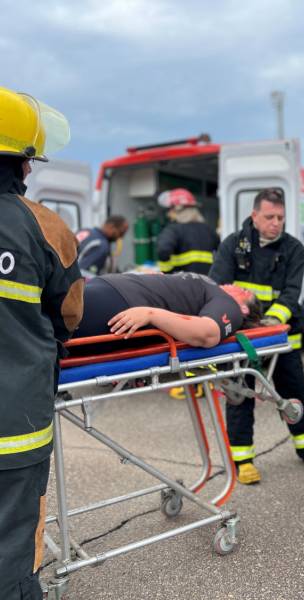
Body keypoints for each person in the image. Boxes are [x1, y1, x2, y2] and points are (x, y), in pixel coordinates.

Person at [0, 86, 83, 600]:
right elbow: (70, 313)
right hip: (14, 423)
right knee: (11, 551)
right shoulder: (45, 226)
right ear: (25, 164)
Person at [209, 188, 304, 484]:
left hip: (281, 336)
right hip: (241, 339)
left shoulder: (294, 249)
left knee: (295, 392)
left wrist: (271, 322)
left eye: (280, 217)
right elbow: (219, 289)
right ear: (254, 216)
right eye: (269, 216)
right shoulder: (233, 246)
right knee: (240, 395)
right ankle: (243, 461)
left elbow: (292, 295)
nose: (276, 222)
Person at [74, 272, 261, 345]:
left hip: (123, 303)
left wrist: (151, 314)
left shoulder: (230, 306)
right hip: (112, 287)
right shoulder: (213, 288)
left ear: (244, 309)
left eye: (244, 291)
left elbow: (208, 333)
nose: (236, 286)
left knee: (49, 318)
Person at [156, 188, 220, 275]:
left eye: (170, 209)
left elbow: (163, 251)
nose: (168, 214)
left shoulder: (174, 230)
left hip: (181, 283)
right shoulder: (210, 230)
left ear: (178, 209)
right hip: (207, 283)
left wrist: (167, 272)